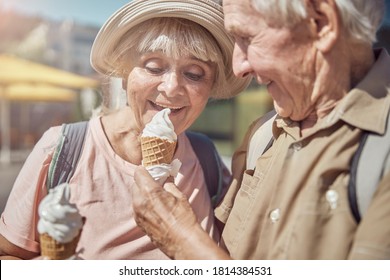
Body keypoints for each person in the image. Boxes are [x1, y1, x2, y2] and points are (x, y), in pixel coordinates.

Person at [131, 0, 390, 260]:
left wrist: (181, 239)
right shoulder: (263, 133)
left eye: (246, 37)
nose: (238, 67)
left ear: (321, 23)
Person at [0, 0, 251, 260]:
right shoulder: (59, 150)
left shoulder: (207, 158)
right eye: (154, 66)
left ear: (210, 88)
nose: (171, 87)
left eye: (195, 74)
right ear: (123, 73)